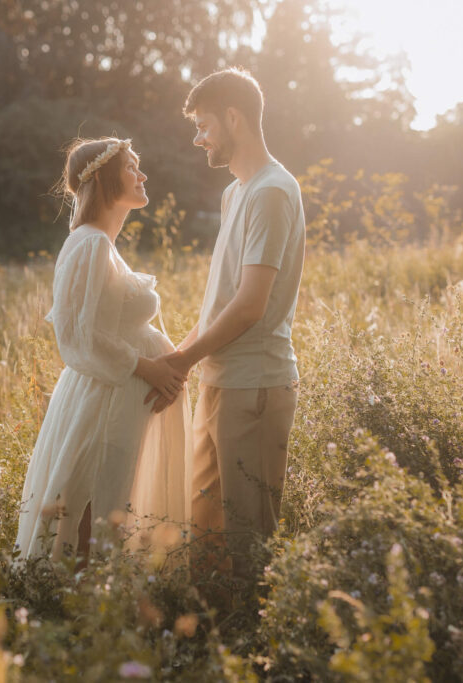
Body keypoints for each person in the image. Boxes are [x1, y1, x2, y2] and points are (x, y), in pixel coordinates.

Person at [148, 68, 305, 580]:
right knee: (206, 540)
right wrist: (180, 362)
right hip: (217, 382)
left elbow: (249, 306)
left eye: (204, 125)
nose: (198, 139)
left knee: (249, 543)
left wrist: (180, 361)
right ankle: (211, 647)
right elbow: (219, 304)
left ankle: (256, 654)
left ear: (234, 118)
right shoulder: (235, 193)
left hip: (254, 388)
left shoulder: (272, 192)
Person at [14, 137, 192, 564]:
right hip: (107, 394)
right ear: (107, 179)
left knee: (116, 495)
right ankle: (83, 598)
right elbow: (78, 334)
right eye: (133, 167)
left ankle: (103, 594)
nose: (143, 175)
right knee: (96, 495)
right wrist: (146, 367)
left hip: (122, 393)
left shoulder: (102, 245)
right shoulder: (90, 244)